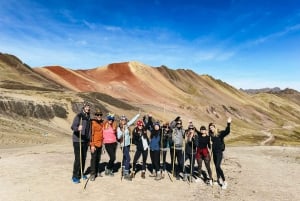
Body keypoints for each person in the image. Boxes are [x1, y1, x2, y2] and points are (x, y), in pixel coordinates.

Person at [71, 102, 91, 183]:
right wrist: (77, 128)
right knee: (78, 158)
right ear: (83, 108)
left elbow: (89, 130)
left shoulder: (88, 117)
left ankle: (81, 173)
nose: (87, 108)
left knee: (83, 158)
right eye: (86, 107)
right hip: (77, 140)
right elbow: (73, 126)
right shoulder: (79, 116)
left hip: (85, 140)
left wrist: (89, 140)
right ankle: (75, 176)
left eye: (88, 107)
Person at [209, 117, 232, 189]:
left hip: (219, 153)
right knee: (216, 167)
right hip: (214, 153)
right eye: (210, 128)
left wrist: (228, 123)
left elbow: (227, 131)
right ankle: (218, 180)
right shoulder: (210, 136)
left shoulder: (220, 133)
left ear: (215, 127)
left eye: (212, 127)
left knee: (218, 166)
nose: (211, 129)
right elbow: (210, 147)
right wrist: (210, 144)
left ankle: (224, 181)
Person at [89, 109, 104, 181]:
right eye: (98, 115)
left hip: (100, 144)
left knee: (98, 159)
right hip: (94, 144)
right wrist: (92, 145)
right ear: (95, 115)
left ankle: (97, 171)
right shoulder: (93, 123)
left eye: (100, 115)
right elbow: (91, 135)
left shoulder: (102, 123)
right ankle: (92, 174)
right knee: (93, 159)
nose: (99, 116)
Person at [117, 115, 132, 181]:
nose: (123, 121)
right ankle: (126, 172)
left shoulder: (127, 126)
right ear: (120, 121)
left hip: (128, 144)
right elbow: (118, 137)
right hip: (123, 145)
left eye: (125, 120)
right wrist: (122, 132)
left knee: (125, 157)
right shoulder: (119, 128)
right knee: (128, 158)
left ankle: (123, 168)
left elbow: (132, 121)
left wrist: (138, 115)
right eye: (122, 120)